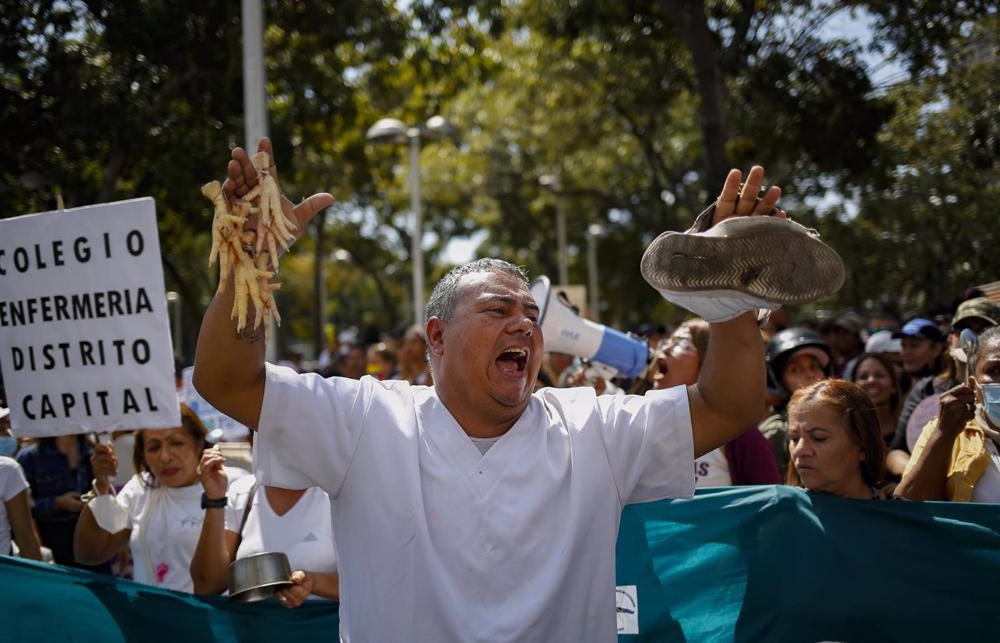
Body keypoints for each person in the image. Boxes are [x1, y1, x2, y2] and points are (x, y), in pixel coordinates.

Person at [192, 140, 799, 641]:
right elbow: (225, 381)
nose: (525, 325)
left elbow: (730, 406)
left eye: (531, 314)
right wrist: (250, 272)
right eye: (497, 309)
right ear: (437, 336)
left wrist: (730, 295)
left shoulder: (595, 429)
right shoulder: (364, 420)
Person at [73, 404, 233, 592]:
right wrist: (100, 485)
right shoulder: (139, 490)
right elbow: (89, 554)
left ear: (198, 444)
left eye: (176, 443)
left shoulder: (234, 486)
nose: (165, 457)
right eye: (154, 447)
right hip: (151, 617)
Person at [190, 444, 339, 606]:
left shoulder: (338, 494)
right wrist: (215, 500)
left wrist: (315, 583)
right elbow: (206, 586)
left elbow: (366, 580)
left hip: (322, 629)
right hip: (252, 628)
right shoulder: (242, 491)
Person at [650, 319, 780, 486]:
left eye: (680, 343)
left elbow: (769, 502)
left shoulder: (738, 436)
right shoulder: (639, 423)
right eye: (666, 341)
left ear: (709, 363)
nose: (665, 348)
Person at [897, 326, 1000, 502]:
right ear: (973, 383)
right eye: (995, 371)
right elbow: (911, 504)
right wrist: (944, 434)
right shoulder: (944, 430)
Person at [786, 379, 891, 499]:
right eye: (794, 439)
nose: (799, 451)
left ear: (862, 447)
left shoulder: (899, 516)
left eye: (818, 438)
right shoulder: (780, 512)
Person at [16, 434, 102, 570]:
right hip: (52, 545)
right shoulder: (30, 458)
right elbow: (20, 512)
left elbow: (108, 498)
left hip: (93, 544)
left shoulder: (96, 453)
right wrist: (57, 503)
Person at [758, 328, 833, 474]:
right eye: (795, 370)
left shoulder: (845, 416)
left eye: (814, 366)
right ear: (779, 381)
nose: (810, 374)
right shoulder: (777, 432)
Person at [850, 353, 903, 447]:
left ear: (894, 386)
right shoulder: (846, 431)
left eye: (879, 376)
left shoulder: (909, 428)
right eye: (863, 377)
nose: (871, 380)